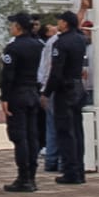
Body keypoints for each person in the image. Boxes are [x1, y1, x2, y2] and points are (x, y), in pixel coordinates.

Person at [0, 11, 44, 192]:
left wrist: (5, 97)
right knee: (32, 136)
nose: (11, 27)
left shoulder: (13, 48)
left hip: (18, 94)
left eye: (13, 24)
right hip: (33, 92)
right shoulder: (38, 45)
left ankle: (23, 177)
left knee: (19, 136)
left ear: (18, 27)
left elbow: (8, 75)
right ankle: (31, 175)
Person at [41, 10, 87, 185]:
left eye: (59, 21)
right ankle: (79, 169)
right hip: (77, 87)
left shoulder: (61, 43)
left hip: (64, 90)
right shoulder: (81, 39)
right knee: (77, 131)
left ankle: (70, 171)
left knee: (65, 132)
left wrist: (47, 93)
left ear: (65, 23)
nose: (57, 24)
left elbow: (56, 71)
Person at [37, 22, 60, 172]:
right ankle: (59, 162)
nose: (55, 26)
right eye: (51, 26)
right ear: (47, 33)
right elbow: (52, 69)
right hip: (53, 89)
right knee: (60, 127)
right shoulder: (56, 42)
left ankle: (51, 161)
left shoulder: (48, 44)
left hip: (46, 86)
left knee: (51, 127)